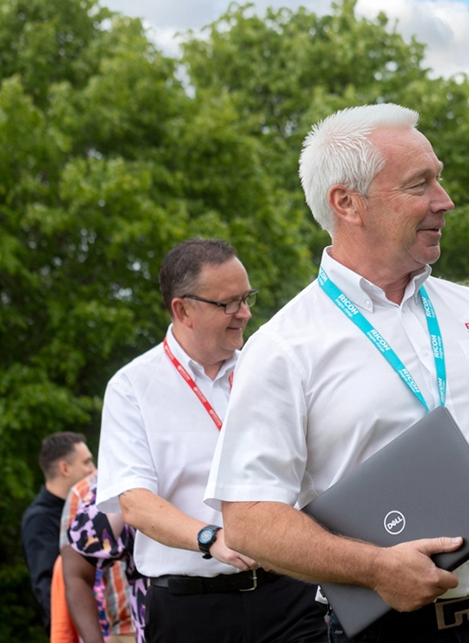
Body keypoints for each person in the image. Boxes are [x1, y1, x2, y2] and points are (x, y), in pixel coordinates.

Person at [205, 103, 469, 643]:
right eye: (420, 184)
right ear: (348, 203)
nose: (444, 201)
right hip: (389, 631)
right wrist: (374, 569)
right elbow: (248, 519)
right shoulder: (284, 347)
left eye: (440, 180)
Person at [95, 238, 327, 643]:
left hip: (292, 597)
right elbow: (134, 503)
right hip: (194, 612)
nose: (246, 313)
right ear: (183, 309)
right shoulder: (132, 386)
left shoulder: (272, 367)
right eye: (229, 303)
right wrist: (211, 539)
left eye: (247, 297)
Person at [23, 432, 98, 628]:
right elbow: (49, 588)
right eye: (87, 462)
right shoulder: (39, 519)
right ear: (65, 468)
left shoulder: (86, 507)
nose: (94, 469)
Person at [59, 472, 139, 643]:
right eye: (85, 462)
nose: (89, 467)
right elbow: (75, 571)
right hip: (129, 628)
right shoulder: (86, 490)